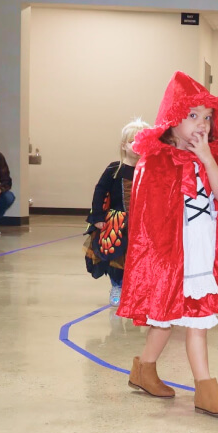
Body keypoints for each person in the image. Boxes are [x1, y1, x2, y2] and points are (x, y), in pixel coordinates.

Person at [118, 71, 218, 417]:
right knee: (173, 320)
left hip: (200, 254)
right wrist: (161, 266)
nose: (201, 124)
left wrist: (206, 158)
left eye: (207, 117)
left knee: (183, 319)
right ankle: (201, 387)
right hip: (174, 258)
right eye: (192, 116)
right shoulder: (155, 163)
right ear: (172, 121)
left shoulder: (212, 158)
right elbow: (150, 223)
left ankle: (145, 370)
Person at [87, 119, 150, 306]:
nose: (138, 146)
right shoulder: (115, 169)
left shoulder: (150, 169)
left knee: (140, 257)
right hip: (117, 223)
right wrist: (97, 216)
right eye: (133, 141)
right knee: (116, 257)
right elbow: (100, 191)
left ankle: (138, 290)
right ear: (124, 145)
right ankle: (117, 286)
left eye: (142, 141)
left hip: (143, 224)